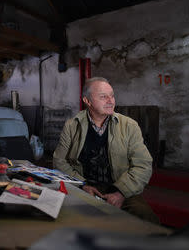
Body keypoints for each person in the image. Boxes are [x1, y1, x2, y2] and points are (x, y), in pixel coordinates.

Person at [53, 77, 159, 223]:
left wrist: (120, 193)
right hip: (84, 187)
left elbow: (143, 164)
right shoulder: (72, 126)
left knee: (146, 219)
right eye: (103, 97)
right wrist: (82, 185)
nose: (111, 101)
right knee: (62, 217)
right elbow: (59, 161)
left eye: (112, 96)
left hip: (122, 188)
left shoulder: (129, 126)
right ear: (87, 101)